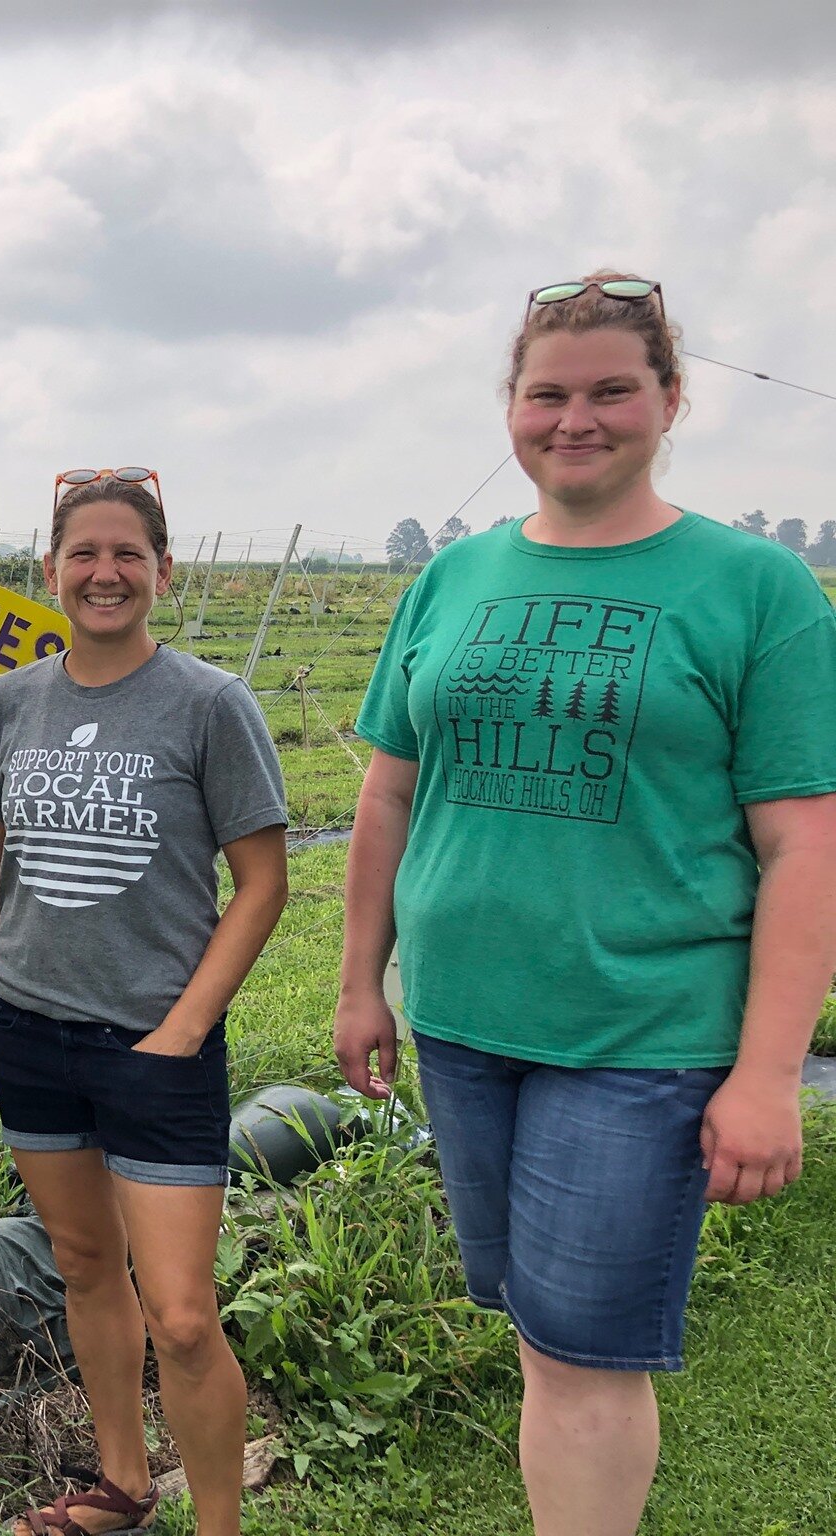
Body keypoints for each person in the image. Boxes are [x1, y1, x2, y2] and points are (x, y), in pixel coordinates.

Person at [334, 272, 836, 1536]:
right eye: (546, 393)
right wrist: (359, 980)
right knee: (536, 1330)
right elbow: (387, 797)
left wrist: (767, 1076)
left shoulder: (753, 590)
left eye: (612, 389)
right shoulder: (451, 582)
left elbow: (803, 846)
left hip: (639, 1031)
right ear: (508, 408)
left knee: (582, 1356)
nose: (577, 417)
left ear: (669, 400)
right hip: (462, 1020)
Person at [0, 471, 289, 1536]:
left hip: (156, 1046)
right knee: (89, 1269)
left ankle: (218, 1525)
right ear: (48, 570)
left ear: (161, 571)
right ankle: (121, 1484)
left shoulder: (207, 704)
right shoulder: (10, 704)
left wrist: (180, 1029)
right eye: (83, 554)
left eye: (126, 554)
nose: (104, 573)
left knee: (184, 1314)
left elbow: (264, 883)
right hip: (30, 1032)